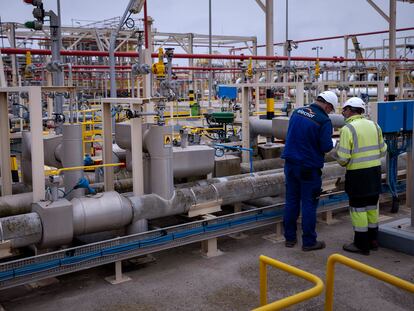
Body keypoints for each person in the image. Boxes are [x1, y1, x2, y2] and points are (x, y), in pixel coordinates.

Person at [282, 91, 338, 251]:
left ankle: (290, 238)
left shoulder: (297, 112)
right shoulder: (323, 121)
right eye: (330, 109)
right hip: (308, 167)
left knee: (291, 201)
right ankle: (309, 242)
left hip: (290, 164)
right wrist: (333, 143)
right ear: (327, 105)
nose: (329, 112)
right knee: (308, 204)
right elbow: (326, 146)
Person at [334, 97, 387, 255]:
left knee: (358, 210)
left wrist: (335, 152)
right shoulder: (374, 125)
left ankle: (361, 244)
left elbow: (343, 159)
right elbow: (383, 150)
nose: (343, 113)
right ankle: (373, 241)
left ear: (350, 110)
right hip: (375, 172)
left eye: (344, 110)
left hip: (357, 175)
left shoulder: (348, 129)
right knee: (372, 207)